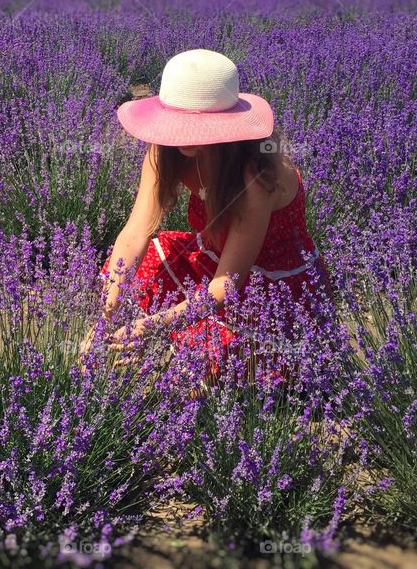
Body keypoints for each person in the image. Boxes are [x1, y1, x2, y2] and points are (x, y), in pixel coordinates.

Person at [95, 49, 335, 385]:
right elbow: (136, 231)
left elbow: (226, 286)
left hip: (271, 287)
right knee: (146, 258)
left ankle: (177, 338)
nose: (180, 135)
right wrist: (110, 309)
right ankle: (150, 332)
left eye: (192, 125)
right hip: (215, 258)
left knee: (221, 363)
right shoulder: (164, 150)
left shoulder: (256, 177)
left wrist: (152, 325)